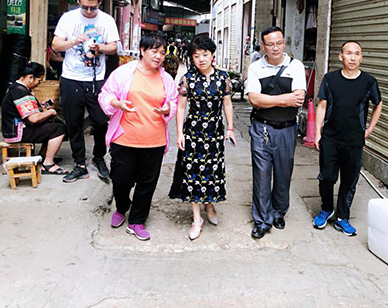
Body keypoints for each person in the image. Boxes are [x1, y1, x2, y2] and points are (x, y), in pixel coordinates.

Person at [98, 34, 178, 241]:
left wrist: (168, 108)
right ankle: (122, 206)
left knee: (146, 184)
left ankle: (137, 221)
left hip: (154, 140)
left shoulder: (166, 79)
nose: (159, 56)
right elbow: (105, 94)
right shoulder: (123, 73)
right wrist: (116, 103)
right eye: (154, 51)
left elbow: (174, 101)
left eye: (162, 53)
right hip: (124, 138)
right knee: (121, 180)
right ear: (142, 50)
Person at [313, 41, 383, 236]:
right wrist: (318, 132)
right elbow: (322, 105)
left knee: (349, 180)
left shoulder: (369, 82)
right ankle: (326, 209)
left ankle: (342, 217)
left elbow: (378, 104)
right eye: (349, 53)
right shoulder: (330, 79)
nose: (353, 57)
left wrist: (369, 129)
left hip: (354, 140)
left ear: (361, 57)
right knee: (327, 177)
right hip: (330, 138)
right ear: (341, 56)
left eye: (357, 54)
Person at [52, 0, 120, 183]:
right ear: (78, 1)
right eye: (84, 7)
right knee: (74, 123)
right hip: (71, 78)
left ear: (99, 2)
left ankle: (98, 157)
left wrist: (100, 47)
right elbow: (56, 45)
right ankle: (79, 164)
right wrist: (74, 41)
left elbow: (113, 48)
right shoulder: (68, 18)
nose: (89, 11)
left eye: (93, 7)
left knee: (100, 122)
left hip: (96, 80)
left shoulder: (107, 20)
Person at [171, 35, 235, 241]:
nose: (201, 59)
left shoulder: (223, 78)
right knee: (193, 173)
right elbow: (181, 107)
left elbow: (227, 104)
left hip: (215, 133)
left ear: (212, 55)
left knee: (212, 171)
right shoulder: (187, 79)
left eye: (205, 55)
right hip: (193, 132)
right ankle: (196, 218)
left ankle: (209, 205)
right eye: (196, 55)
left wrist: (230, 128)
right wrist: (179, 133)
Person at [245, 26, 307, 239]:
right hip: (261, 128)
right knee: (261, 175)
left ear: (284, 43)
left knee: (283, 173)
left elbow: (298, 98)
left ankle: (279, 212)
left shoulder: (295, 66)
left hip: (287, 130)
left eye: (279, 43)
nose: (275, 48)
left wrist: (269, 100)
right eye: (270, 44)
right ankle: (262, 220)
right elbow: (254, 99)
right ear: (263, 46)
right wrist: (284, 99)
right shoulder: (255, 68)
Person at [1, 62, 68, 175]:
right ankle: (48, 164)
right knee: (59, 129)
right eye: (38, 80)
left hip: (14, 129)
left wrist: (40, 106)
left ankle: (43, 156)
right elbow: (34, 118)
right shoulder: (20, 92)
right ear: (30, 77)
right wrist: (51, 111)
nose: (38, 83)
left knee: (54, 123)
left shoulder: (17, 88)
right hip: (17, 132)